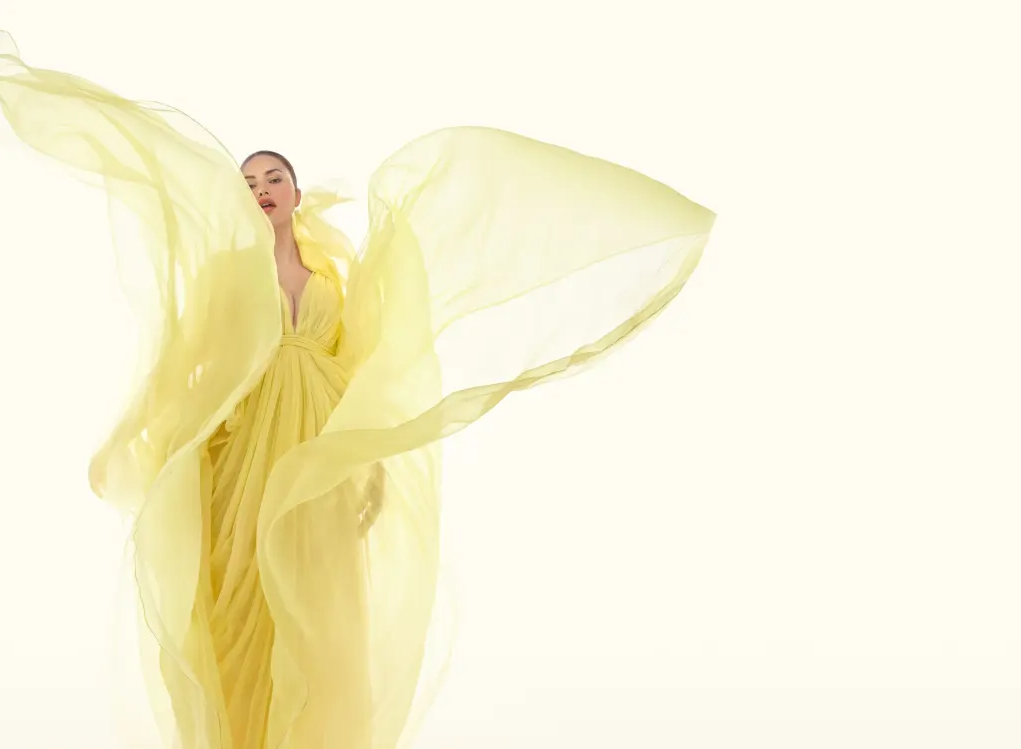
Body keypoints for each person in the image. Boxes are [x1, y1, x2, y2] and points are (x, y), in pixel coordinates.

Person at [0, 31, 715, 749]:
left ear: (295, 194)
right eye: (247, 183)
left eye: (272, 177)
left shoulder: (332, 282)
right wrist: (161, 437)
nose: (260, 188)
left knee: (319, 602)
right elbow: (192, 363)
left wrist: (367, 467)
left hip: (317, 451)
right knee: (241, 595)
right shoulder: (225, 274)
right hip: (245, 453)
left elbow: (361, 379)